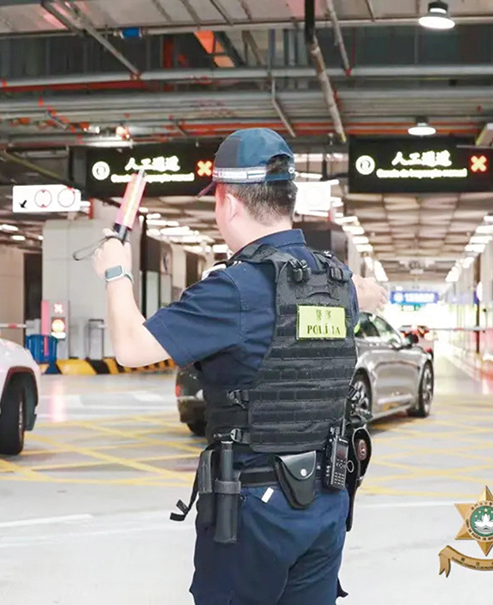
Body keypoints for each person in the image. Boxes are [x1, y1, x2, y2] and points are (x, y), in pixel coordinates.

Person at [92, 128, 387, 605]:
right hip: (327, 502)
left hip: (253, 513)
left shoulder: (233, 291)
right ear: (288, 198)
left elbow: (129, 347)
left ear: (228, 202)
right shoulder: (335, 282)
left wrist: (115, 271)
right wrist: (363, 288)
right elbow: (368, 293)